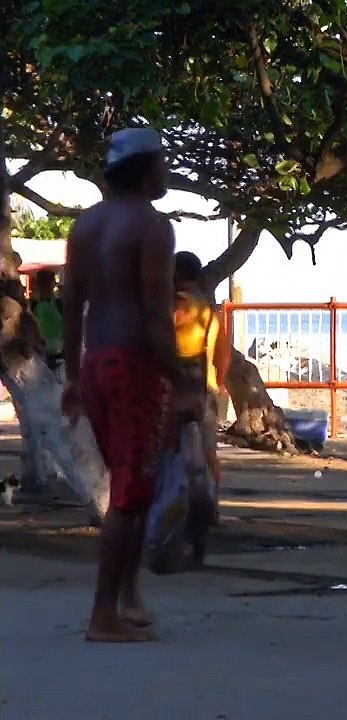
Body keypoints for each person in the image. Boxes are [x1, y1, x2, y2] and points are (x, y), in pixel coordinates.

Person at [61, 128, 188, 642]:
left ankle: (127, 596)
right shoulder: (152, 227)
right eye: (164, 162)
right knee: (130, 495)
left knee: (130, 484)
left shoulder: (85, 226)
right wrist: (183, 380)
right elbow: (158, 317)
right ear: (146, 168)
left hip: (98, 364)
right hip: (135, 365)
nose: (169, 171)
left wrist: (73, 375)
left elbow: (72, 306)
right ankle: (103, 616)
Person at [173, 251, 231, 520]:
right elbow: (224, 353)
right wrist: (217, 384)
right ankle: (213, 507)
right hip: (207, 389)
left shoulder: (176, 307)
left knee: (176, 450)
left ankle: (185, 507)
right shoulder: (210, 312)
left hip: (179, 391)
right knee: (209, 452)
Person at [30, 269, 64, 370]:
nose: (46, 287)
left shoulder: (59, 303)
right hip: (40, 355)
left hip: (58, 353)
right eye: (43, 283)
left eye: (47, 283)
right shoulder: (33, 304)